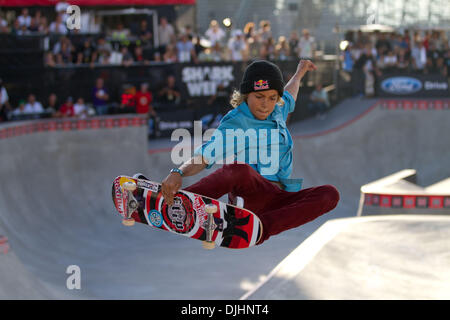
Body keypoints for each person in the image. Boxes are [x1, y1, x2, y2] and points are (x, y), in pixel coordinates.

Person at [160, 60, 340, 245]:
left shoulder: (277, 108)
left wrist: (299, 72)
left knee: (329, 194)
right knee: (238, 169)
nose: (265, 105)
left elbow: (290, 94)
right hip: (250, 193)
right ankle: (180, 205)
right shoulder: (237, 122)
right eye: (259, 97)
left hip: (278, 199)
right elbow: (205, 156)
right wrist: (178, 172)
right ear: (246, 96)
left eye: (272, 97)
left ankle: (259, 229)